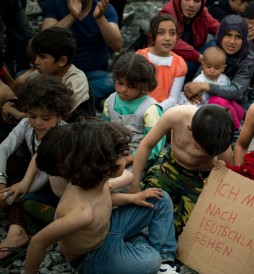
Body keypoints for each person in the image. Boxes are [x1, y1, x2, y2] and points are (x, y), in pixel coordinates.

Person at [24, 121, 178, 274]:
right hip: (93, 254)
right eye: (120, 156)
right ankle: (138, 248)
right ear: (104, 166)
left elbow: (104, 200)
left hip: (108, 228)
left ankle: (163, 261)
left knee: (160, 198)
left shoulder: (96, 180)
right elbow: (38, 242)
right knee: (150, 262)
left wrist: (132, 198)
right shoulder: (81, 214)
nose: (125, 158)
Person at [0, 75, 72, 265]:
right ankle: (52, 219)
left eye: (45, 118)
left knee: (19, 195)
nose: (38, 122)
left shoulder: (64, 135)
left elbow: (40, 163)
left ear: (59, 115)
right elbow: (3, 148)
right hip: (41, 182)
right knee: (26, 198)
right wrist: (2, 180)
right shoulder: (26, 126)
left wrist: (13, 192)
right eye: (32, 116)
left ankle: (59, 221)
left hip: (64, 188)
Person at [131, 104, 235, 235]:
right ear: (189, 128)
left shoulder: (220, 140)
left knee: (188, 226)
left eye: (207, 152)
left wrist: (220, 169)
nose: (199, 151)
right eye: (199, 147)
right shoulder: (175, 116)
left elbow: (226, 179)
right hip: (172, 167)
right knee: (147, 202)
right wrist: (134, 185)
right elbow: (146, 145)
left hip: (200, 178)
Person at [41, 0, 123, 110]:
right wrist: (72, 15)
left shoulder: (105, 9)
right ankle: (84, 103)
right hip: (60, 73)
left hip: (94, 75)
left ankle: (66, 102)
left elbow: (117, 45)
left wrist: (100, 18)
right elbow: (43, 42)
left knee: (114, 81)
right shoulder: (55, 4)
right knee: (27, 79)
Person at [2, 27, 95, 124]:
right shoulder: (39, 74)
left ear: (62, 61)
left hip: (76, 131)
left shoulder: (76, 79)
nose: (36, 61)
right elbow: (26, 100)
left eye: (42, 57)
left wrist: (19, 115)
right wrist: (12, 105)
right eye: (36, 56)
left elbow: (53, 115)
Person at [183, 14, 254, 130]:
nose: (232, 41)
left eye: (238, 37)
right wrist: (191, 91)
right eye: (228, 35)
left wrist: (205, 86)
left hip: (235, 108)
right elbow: (199, 77)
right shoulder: (213, 50)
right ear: (221, 35)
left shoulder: (246, 61)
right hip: (207, 104)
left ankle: (235, 131)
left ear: (244, 39)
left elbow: (236, 91)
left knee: (216, 101)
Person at [102, 52, 165, 171]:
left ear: (144, 86)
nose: (123, 89)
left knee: (120, 182)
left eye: (131, 86)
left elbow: (155, 146)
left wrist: (130, 158)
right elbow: (103, 129)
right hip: (113, 153)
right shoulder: (110, 100)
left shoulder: (150, 109)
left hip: (139, 159)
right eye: (120, 83)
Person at [136, 14, 187, 112]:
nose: (167, 38)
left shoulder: (179, 64)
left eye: (172, 33)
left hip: (162, 109)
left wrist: (156, 109)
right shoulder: (140, 57)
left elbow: (173, 98)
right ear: (151, 35)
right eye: (161, 33)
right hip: (137, 105)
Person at [158, 0, 220, 81]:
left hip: (193, 62)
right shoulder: (167, 13)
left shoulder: (202, 13)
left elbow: (220, 29)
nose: (191, 5)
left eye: (197, 1)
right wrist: (199, 57)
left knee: (216, 44)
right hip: (170, 66)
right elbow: (171, 42)